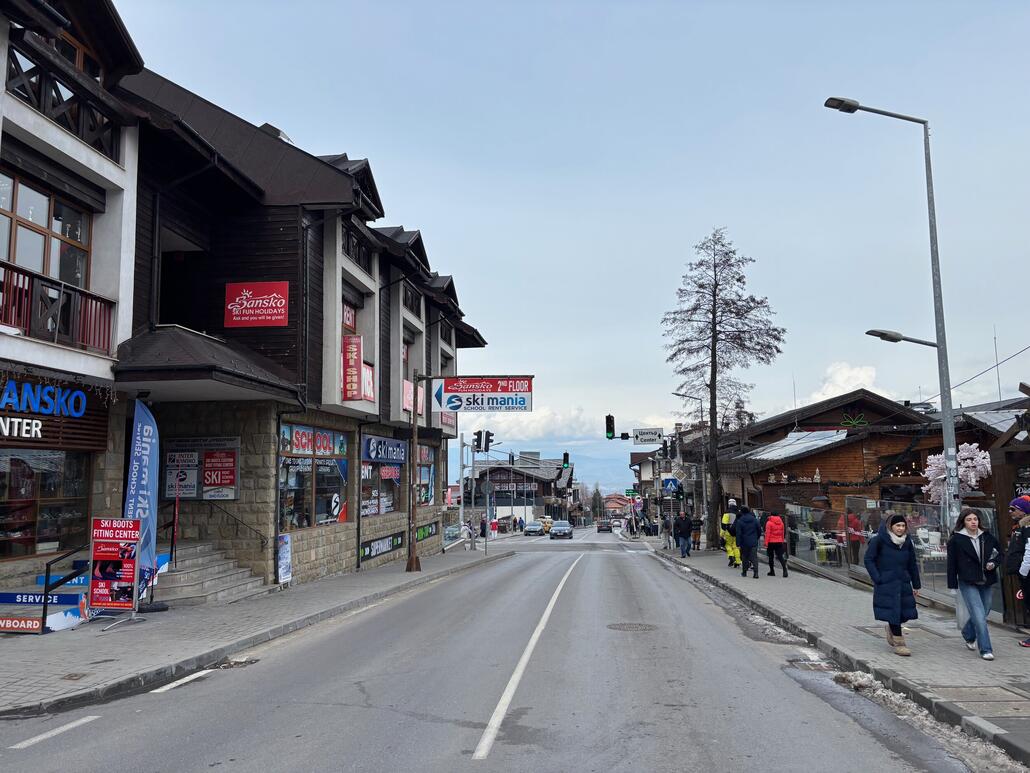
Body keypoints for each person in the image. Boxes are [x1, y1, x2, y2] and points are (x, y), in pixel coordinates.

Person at [864, 513, 921, 657]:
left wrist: (916, 584)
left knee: (904, 613)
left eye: (903, 526)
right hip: (886, 582)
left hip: (903, 581)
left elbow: (912, 563)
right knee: (894, 610)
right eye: (898, 526)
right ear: (890, 526)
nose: (901, 529)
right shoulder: (879, 541)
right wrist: (877, 577)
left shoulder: (907, 542)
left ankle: (891, 628)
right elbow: (869, 559)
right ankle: (899, 642)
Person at [947, 508, 1000, 659]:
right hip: (967, 580)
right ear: (963, 522)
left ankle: (968, 633)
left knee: (985, 609)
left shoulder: (987, 536)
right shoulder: (957, 540)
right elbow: (952, 565)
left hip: (986, 579)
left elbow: (999, 553)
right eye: (969, 519)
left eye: (975, 519)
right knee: (978, 614)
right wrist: (952, 585)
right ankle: (986, 649)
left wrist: (993, 563)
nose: (973, 522)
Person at [1004, 496, 1030, 648]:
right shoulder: (1020, 526)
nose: (1010, 512)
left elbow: (1029, 551)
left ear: (1023, 510)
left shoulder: (1027, 528)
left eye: (1013, 509)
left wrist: (1023, 571)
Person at [734, 506, 762, 579]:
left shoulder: (740, 521)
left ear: (742, 512)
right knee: (754, 558)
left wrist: (738, 543)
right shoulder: (755, 520)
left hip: (744, 542)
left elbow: (738, 533)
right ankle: (756, 573)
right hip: (753, 541)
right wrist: (756, 538)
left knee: (745, 557)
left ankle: (744, 572)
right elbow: (759, 530)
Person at [764, 512, 788, 577]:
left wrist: (766, 543)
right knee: (780, 556)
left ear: (771, 515)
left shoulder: (769, 523)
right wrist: (782, 540)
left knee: (771, 557)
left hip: (771, 542)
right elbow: (782, 533)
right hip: (779, 541)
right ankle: (784, 569)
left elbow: (767, 534)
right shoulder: (781, 523)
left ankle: (772, 571)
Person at [722, 499, 741, 568]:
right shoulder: (739, 512)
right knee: (736, 547)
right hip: (737, 532)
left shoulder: (726, 513)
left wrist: (722, 534)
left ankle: (731, 556)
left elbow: (724, 524)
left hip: (728, 532)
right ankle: (738, 561)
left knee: (728, 545)